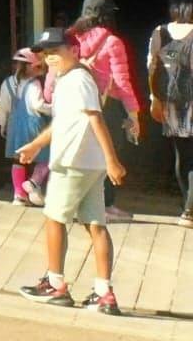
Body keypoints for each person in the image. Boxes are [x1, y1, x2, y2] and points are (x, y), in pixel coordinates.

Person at [17, 25, 127, 315]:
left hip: (73, 162)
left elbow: (96, 119)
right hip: (89, 164)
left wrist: (113, 160)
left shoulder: (78, 79)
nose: (51, 58)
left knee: (53, 218)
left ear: (74, 50)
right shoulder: (69, 79)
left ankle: (55, 284)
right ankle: (104, 294)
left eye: (56, 51)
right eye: (47, 53)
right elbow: (63, 123)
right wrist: (34, 145)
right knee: (95, 224)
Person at [70, 0, 144, 222]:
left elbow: (54, 73)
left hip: (75, 105)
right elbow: (122, 81)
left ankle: (79, 204)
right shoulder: (112, 42)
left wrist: (51, 98)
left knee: (81, 154)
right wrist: (134, 114)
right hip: (105, 107)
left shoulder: (70, 39)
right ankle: (105, 205)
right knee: (109, 154)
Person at [147, 0, 193, 230]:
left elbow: (152, 67)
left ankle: (188, 210)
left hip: (172, 103)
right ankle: (190, 209)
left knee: (183, 156)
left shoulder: (160, 32)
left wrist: (155, 99)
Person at [0, 46, 51, 206]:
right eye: (39, 67)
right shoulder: (34, 83)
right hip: (33, 125)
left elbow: (4, 107)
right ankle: (34, 182)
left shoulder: (7, 83)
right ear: (30, 66)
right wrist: (54, 108)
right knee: (48, 156)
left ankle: (19, 195)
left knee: (18, 159)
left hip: (14, 126)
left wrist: (3, 125)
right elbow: (38, 105)